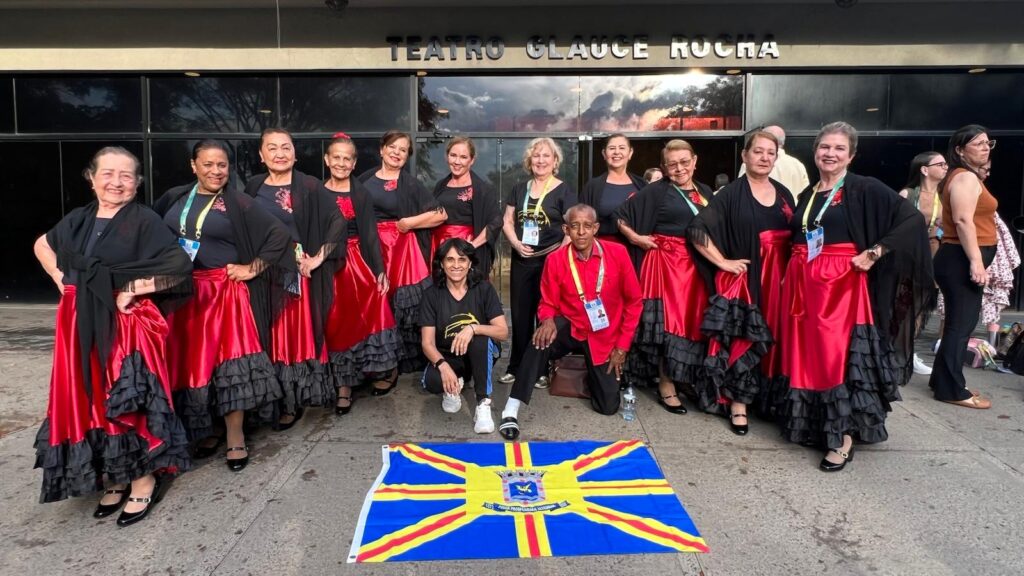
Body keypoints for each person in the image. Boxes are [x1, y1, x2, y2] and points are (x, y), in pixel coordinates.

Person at [34, 147, 193, 525]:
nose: (116, 182)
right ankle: (116, 476)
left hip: (124, 326)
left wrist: (134, 287)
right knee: (88, 399)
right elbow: (42, 243)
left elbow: (179, 267)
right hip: (78, 321)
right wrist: (61, 279)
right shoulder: (79, 218)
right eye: (108, 173)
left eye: (126, 175)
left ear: (137, 183)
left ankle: (142, 479)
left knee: (122, 400)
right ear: (92, 178)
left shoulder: (144, 220)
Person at [780, 121, 933, 472]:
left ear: (851, 155)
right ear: (815, 151)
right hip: (805, 284)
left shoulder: (865, 187)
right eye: (824, 147)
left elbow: (910, 219)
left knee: (837, 358)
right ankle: (814, 423)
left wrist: (876, 251)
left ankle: (843, 437)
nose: (829, 154)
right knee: (808, 357)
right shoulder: (809, 194)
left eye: (838, 148)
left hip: (841, 286)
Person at [156, 140, 289, 473]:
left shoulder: (239, 202)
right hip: (182, 295)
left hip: (222, 294)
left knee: (230, 369)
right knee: (195, 366)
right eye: (208, 165)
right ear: (193, 166)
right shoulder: (174, 197)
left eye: (222, 165)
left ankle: (234, 435)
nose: (216, 171)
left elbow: (278, 235)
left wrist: (251, 268)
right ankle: (208, 429)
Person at [499, 204, 642, 440]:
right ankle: (511, 409)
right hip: (570, 326)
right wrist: (547, 320)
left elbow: (634, 303)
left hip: (603, 334)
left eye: (587, 226)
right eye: (575, 226)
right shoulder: (555, 259)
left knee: (607, 407)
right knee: (540, 340)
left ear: (596, 228)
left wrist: (622, 347)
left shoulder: (617, 254)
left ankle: (591, 374)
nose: (581, 232)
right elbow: (547, 302)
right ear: (566, 229)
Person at [688, 131, 795, 434]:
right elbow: (697, 228)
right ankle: (738, 405)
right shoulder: (730, 194)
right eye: (758, 151)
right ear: (745, 156)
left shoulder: (785, 193)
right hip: (749, 278)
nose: (763, 158)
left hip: (781, 279)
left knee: (776, 338)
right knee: (744, 340)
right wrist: (722, 262)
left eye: (770, 153)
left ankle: (768, 401)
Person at [244, 128, 344, 429]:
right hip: (263, 271)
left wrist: (318, 257)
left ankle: (292, 401)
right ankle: (271, 397)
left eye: (285, 147)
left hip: (295, 272)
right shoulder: (252, 186)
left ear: (295, 153)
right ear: (261, 156)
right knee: (267, 336)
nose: (279, 153)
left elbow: (337, 221)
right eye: (271, 148)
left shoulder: (310, 186)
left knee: (291, 338)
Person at [616, 139, 714, 413]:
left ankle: (683, 377)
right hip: (665, 265)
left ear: (695, 161)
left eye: (685, 162)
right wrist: (637, 238)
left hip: (697, 266)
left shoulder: (705, 191)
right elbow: (621, 217)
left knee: (691, 324)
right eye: (672, 164)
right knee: (668, 327)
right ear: (664, 166)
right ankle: (666, 384)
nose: (679, 168)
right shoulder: (656, 191)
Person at [322, 132, 401, 415]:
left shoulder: (361, 193)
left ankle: (384, 370)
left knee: (370, 317)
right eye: (337, 157)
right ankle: (343, 386)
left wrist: (379, 270)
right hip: (326, 266)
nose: (341, 163)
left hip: (356, 264)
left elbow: (369, 235)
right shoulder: (315, 192)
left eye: (347, 158)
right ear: (327, 159)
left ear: (354, 163)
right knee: (335, 323)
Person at [359, 130, 447, 381]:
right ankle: (376, 360)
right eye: (393, 147)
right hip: (371, 247)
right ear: (382, 149)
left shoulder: (410, 183)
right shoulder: (364, 179)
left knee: (400, 306)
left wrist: (409, 222)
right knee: (374, 304)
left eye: (403, 150)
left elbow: (440, 214)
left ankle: (394, 367)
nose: (397, 153)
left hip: (400, 249)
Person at [929, 125, 998, 409]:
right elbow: (962, 221)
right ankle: (952, 390)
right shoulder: (965, 177)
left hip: (961, 257)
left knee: (961, 323)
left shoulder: (965, 177)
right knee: (961, 324)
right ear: (959, 150)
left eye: (987, 143)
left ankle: (943, 380)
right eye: (978, 143)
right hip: (960, 258)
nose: (985, 147)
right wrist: (977, 262)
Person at [499, 137, 578, 385]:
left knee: (545, 316)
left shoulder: (564, 190)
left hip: (550, 262)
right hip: (522, 259)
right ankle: (515, 366)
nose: (541, 160)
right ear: (529, 160)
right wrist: (515, 244)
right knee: (521, 316)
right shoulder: (519, 188)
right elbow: (507, 220)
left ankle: (542, 369)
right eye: (536, 155)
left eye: (546, 156)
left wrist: (559, 255)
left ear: (555, 161)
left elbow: (572, 227)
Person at [419, 238, 509, 433]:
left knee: (482, 339)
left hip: (479, 355)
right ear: (442, 264)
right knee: (431, 381)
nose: (456, 265)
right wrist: (443, 367)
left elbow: (502, 332)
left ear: (470, 263)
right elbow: (427, 343)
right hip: (448, 356)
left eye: (462, 259)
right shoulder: (431, 295)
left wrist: (473, 328)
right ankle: (453, 386)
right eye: (450, 260)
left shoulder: (484, 289)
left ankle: (483, 403)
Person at [899, 151, 948, 376]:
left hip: (931, 260)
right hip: (905, 260)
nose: (945, 167)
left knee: (919, 308)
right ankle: (894, 353)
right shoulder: (908, 195)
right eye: (940, 164)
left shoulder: (944, 197)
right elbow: (895, 228)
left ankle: (908, 354)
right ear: (924, 169)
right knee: (900, 307)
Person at [430, 136, 503, 276]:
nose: (457, 162)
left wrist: (472, 246)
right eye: (453, 155)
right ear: (447, 157)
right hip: (440, 248)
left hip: (465, 252)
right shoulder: (440, 185)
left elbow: (496, 221)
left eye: (463, 157)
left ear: (472, 160)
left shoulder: (482, 189)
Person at [580, 133, 646, 246]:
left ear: (630, 153)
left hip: (637, 248)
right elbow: (582, 220)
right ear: (604, 154)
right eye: (612, 148)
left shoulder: (642, 185)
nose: (616, 152)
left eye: (622, 148)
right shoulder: (592, 187)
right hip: (603, 248)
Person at [739, 125, 809, 203]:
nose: (765, 158)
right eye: (758, 152)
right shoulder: (798, 165)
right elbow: (805, 194)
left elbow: (741, 192)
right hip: (793, 211)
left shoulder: (751, 163)